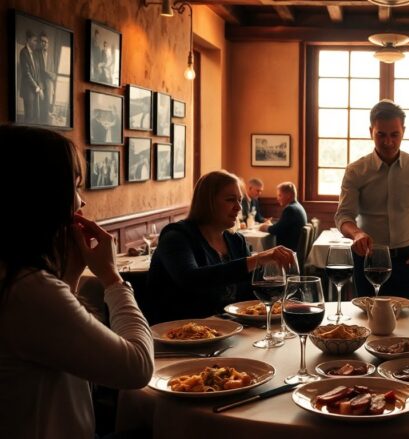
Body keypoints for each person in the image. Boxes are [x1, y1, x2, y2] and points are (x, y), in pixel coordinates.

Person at [0, 125, 153, 438]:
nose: (81, 202)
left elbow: (59, 345)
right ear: (44, 196)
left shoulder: (19, 279)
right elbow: (137, 367)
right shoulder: (27, 290)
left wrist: (69, 275)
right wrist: (112, 278)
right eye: (75, 187)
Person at [148, 170, 294, 323]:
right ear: (207, 202)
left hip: (229, 329)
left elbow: (250, 292)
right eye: (231, 200)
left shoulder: (236, 241)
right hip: (178, 331)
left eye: (240, 200)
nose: (239, 207)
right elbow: (190, 279)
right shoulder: (176, 237)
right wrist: (257, 259)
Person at [335, 99, 409, 302]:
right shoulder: (356, 170)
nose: (388, 142)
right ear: (371, 132)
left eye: (394, 135)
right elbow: (343, 216)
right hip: (369, 259)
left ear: (403, 131)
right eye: (381, 135)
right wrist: (357, 234)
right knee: (369, 317)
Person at [259, 182, 307, 253]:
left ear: (288, 195)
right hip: (294, 248)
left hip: (288, 251)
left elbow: (277, 230)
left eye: (280, 195)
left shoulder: (290, 209)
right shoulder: (298, 206)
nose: (277, 198)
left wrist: (265, 227)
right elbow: (283, 225)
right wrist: (272, 224)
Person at [18, 30, 42, 124]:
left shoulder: (35, 54)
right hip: (28, 90)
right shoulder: (23, 52)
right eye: (34, 40)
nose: (36, 43)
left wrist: (39, 87)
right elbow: (26, 73)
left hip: (35, 89)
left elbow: (37, 72)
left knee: (36, 116)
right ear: (28, 40)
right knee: (29, 117)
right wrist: (36, 87)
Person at [35, 32, 55, 125]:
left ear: (48, 43)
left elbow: (53, 74)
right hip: (40, 84)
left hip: (49, 84)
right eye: (42, 41)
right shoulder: (36, 54)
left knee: (47, 107)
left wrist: (49, 74)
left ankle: (46, 125)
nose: (44, 43)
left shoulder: (51, 57)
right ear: (40, 42)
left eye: (46, 42)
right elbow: (36, 71)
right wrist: (39, 86)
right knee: (39, 107)